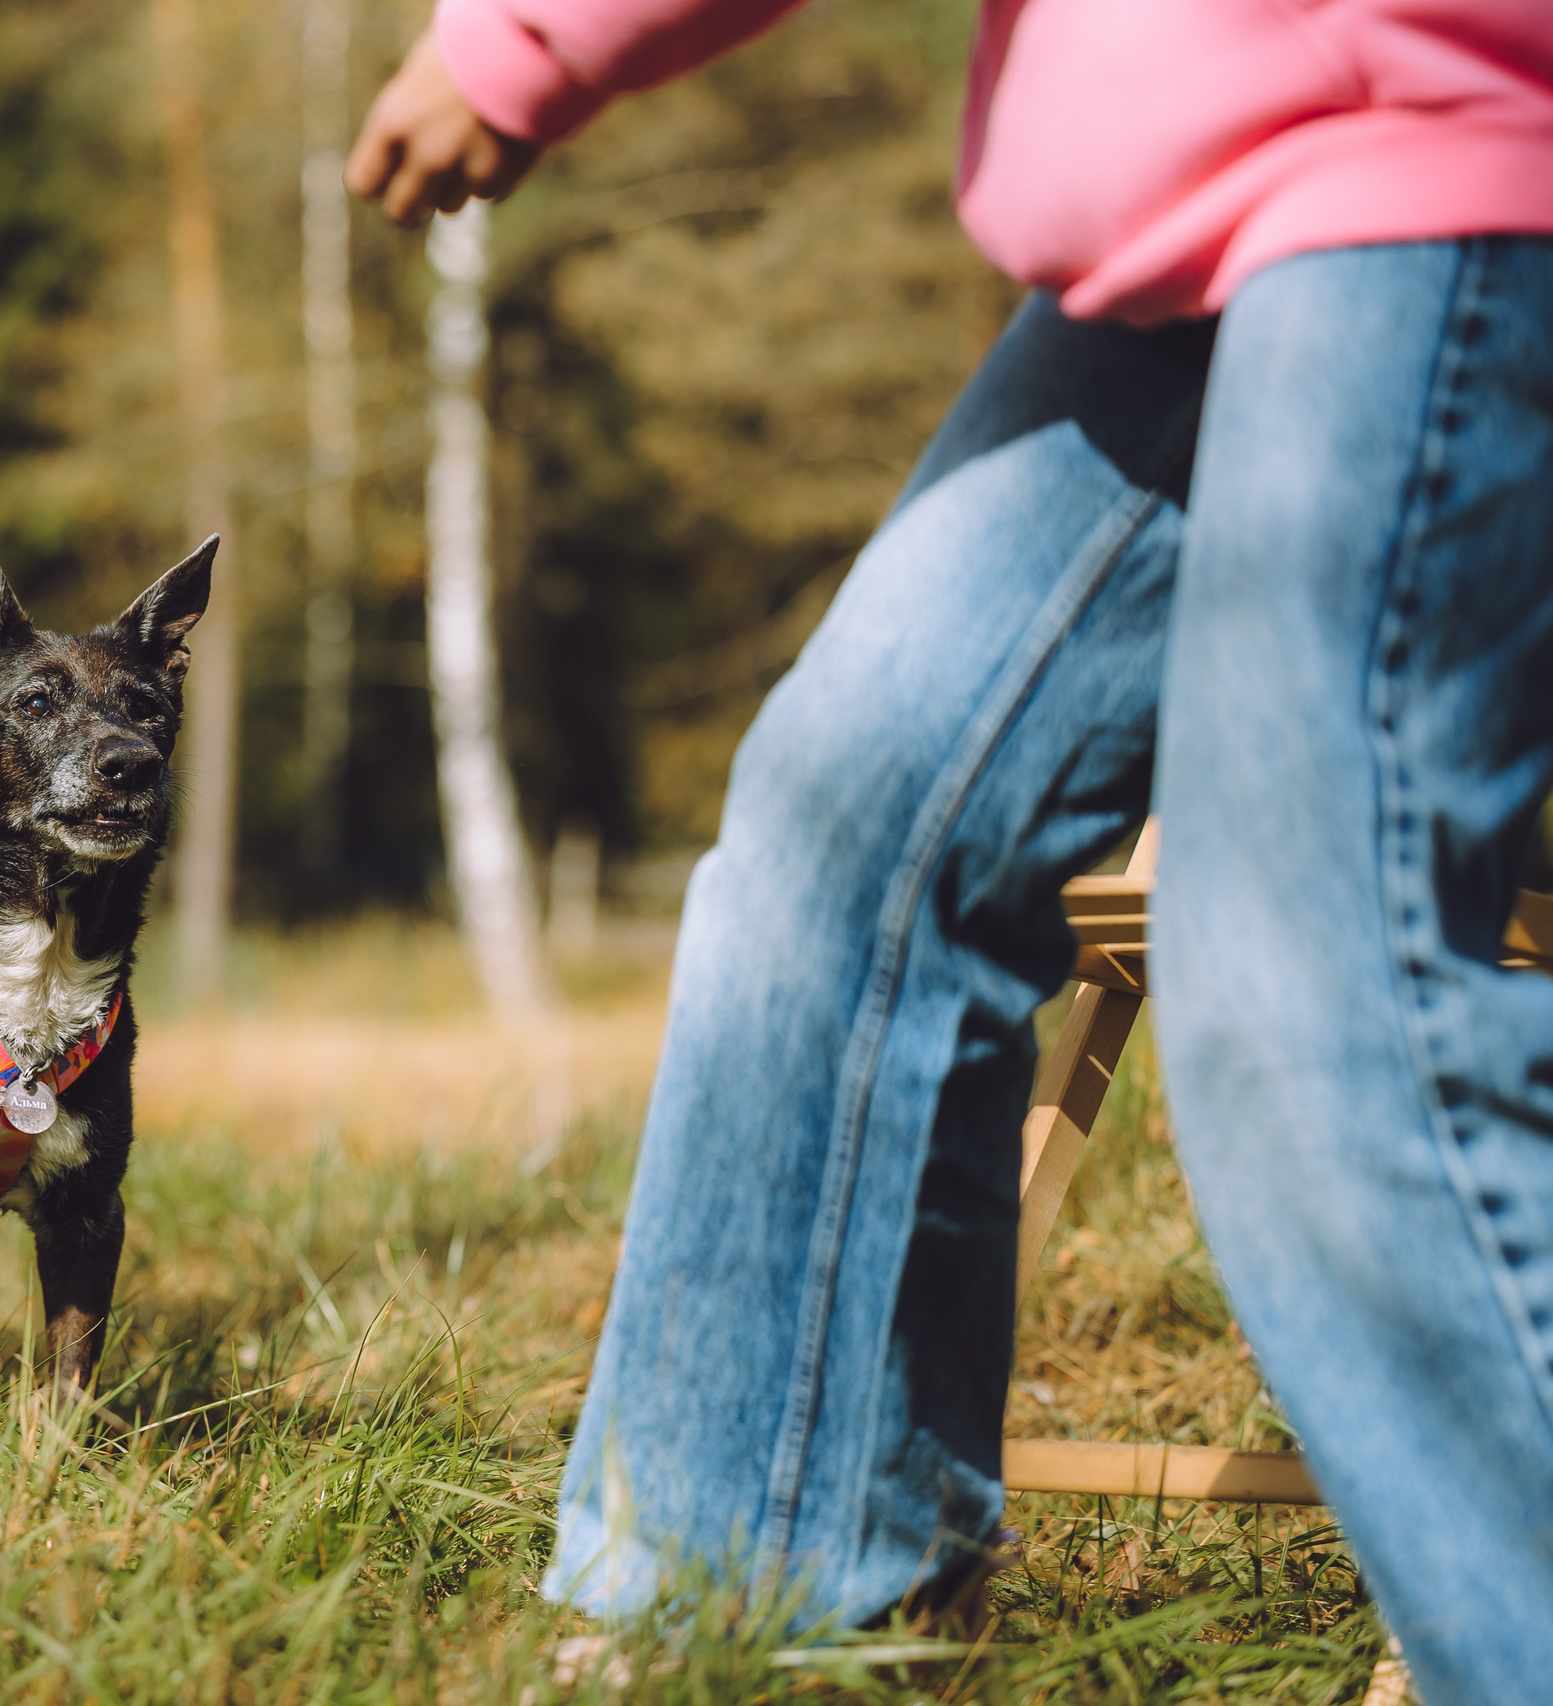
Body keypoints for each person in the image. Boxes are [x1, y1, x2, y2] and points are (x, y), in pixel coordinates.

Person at [347, 4, 1553, 1702]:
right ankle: (753, 1633)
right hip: (1185, 205)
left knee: (1318, 991)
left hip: (1435, 142)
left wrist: (526, 39)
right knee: (844, 849)